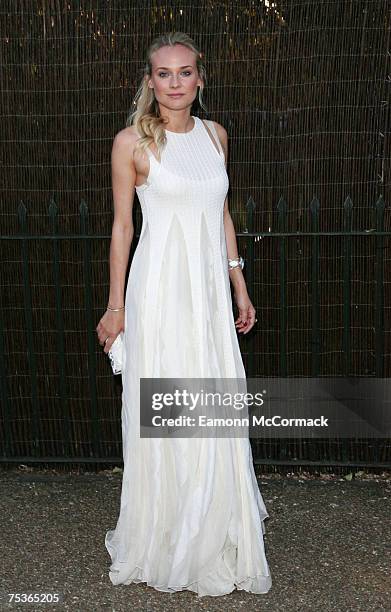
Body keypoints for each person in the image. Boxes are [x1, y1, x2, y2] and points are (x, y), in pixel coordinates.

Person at [96, 31, 272, 597]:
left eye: (185, 72)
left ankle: (214, 533)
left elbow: (221, 216)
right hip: (160, 294)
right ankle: (167, 535)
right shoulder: (131, 143)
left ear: (200, 78)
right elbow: (123, 229)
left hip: (208, 297)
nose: (175, 83)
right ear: (150, 81)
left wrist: (239, 287)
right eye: (164, 73)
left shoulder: (216, 136)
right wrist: (115, 305)